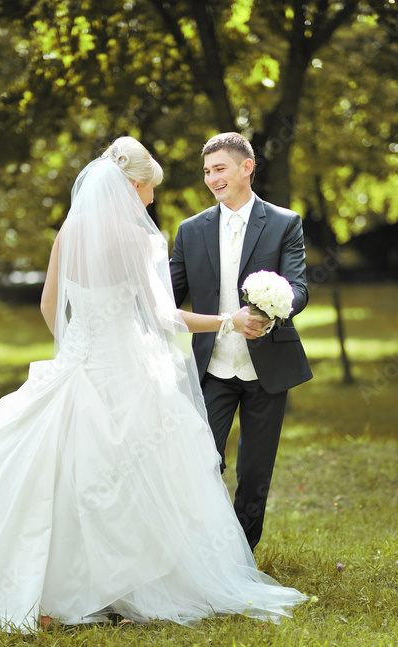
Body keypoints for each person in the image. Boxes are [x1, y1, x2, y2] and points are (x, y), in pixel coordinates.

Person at [0, 136, 306, 634]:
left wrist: (76, 345)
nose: (150, 201)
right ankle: (131, 583)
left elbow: (47, 305)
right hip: (127, 372)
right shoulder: (141, 239)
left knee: (58, 475)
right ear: (131, 185)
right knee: (137, 475)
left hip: (76, 365)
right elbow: (165, 317)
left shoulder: (70, 231)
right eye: (148, 190)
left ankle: (55, 584)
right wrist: (228, 320)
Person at [170, 132, 312, 551]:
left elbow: (299, 288)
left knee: (254, 473)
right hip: (211, 368)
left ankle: (241, 557)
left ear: (246, 167)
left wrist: (272, 312)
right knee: (203, 463)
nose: (212, 179)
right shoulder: (191, 230)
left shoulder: (285, 223)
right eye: (207, 172)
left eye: (220, 169)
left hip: (266, 369)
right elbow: (165, 300)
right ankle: (204, 554)